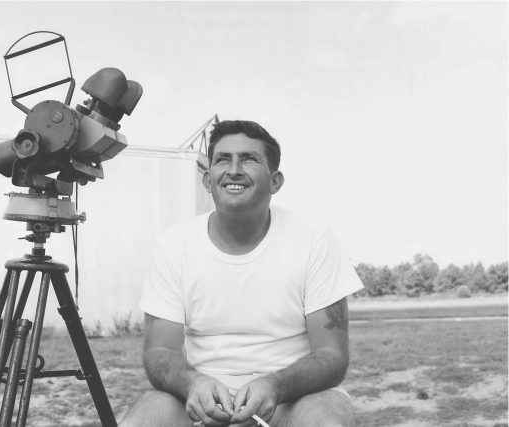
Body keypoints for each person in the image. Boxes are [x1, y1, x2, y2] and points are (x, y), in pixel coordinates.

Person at [120, 120, 363, 427]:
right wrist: (192, 384)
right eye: (222, 159)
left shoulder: (315, 240)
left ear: (275, 181)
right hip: (200, 397)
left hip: (293, 397)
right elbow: (159, 351)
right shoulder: (174, 244)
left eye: (249, 158)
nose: (234, 169)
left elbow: (332, 355)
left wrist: (274, 386)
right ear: (208, 180)